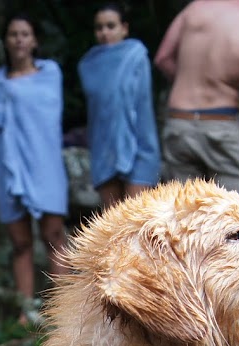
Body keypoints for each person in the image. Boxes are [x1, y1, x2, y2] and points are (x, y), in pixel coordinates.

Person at [0, 14, 70, 312]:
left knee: (53, 236)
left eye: (25, 34)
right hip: (9, 169)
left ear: (34, 41)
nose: (19, 39)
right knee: (20, 243)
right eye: (13, 34)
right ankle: (25, 311)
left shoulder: (50, 75)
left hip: (44, 165)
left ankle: (63, 311)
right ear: (5, 41)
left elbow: (47, 120)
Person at [153, 0, 239, 204]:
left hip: (180, 122)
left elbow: (163, 58)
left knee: (184, 212)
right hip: (220, 125)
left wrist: (184, 79)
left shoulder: (195, 10)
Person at [79, 2, 161, 211]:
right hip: (104, 149)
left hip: (141, 146)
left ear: (124, 28)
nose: (105, 32)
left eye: (111, 26)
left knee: (137, 222)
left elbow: (139, 104)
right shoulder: (88, 65)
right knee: (113, 229)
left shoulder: (135, 56)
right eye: (99, 27)